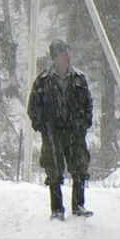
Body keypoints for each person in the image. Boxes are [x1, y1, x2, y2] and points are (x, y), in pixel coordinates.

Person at [27, 39, 95, 220]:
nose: (68, 57)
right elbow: (33, 107)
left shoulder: (79, 79)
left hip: (75, 132)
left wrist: (84, 123)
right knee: (54, 170)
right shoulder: (42, 81)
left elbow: (88, 104)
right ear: (55, 58)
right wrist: (42, 126)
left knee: (80, 167)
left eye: (69, 53)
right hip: (53, 133)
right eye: (64, 54)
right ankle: (57, 209)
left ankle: (78, 205)